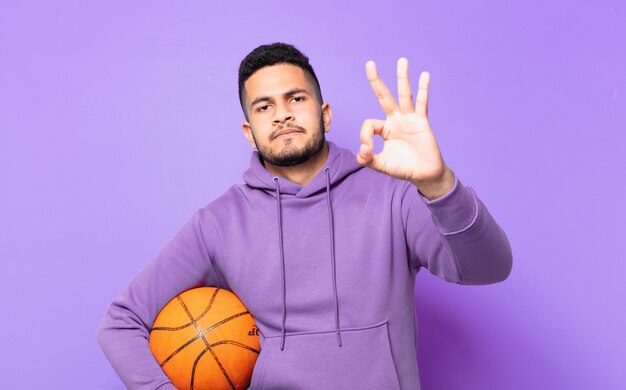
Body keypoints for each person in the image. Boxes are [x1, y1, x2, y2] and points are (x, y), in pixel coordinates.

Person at [97, 42, 512, 390]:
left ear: (325, 113)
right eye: (264, 107)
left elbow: (488, 268)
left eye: (295, 98)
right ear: (249, 131)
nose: (282, 114)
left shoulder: (393, 197)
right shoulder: (219, 223)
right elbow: (120, 323)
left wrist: (439, 184)